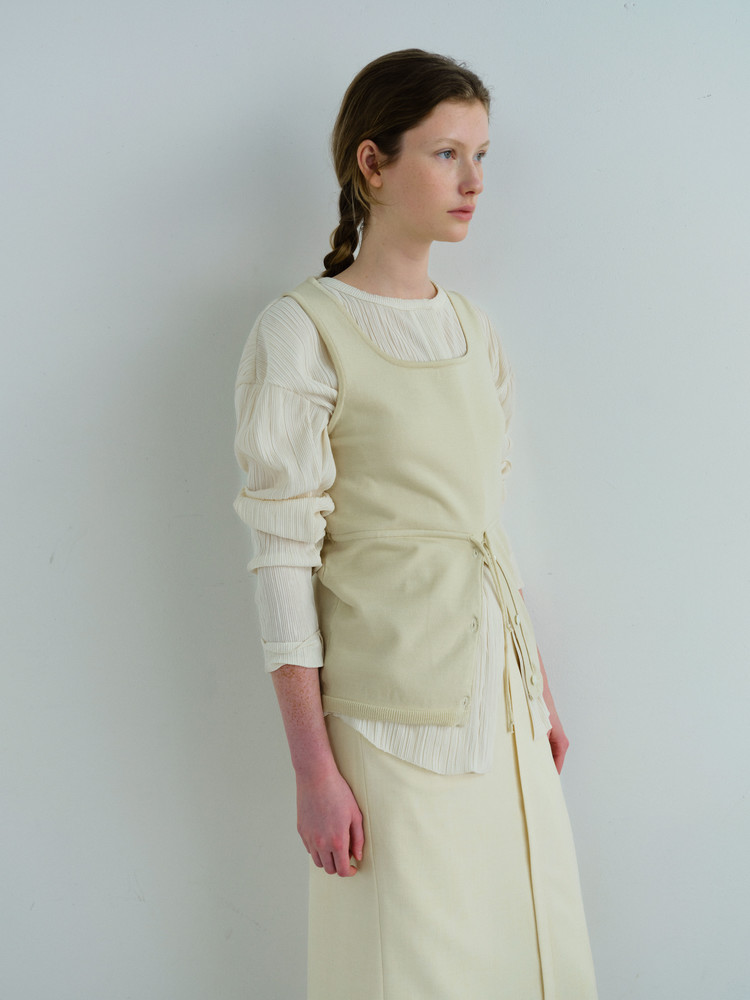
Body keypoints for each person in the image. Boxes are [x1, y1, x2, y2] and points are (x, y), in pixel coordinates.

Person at [234, 48, 597, 1000]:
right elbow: (282, 557)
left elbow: (484, 528)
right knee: (412, 966)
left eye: (482, 156)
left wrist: (538, 688)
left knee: (527, 949)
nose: (474, 181)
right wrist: (313, 771)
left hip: (501, 700)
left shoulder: (475, 331)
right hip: (388, 711)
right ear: (373, 162)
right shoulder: (301, 331)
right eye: (446, 154)